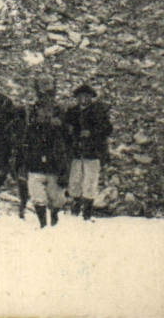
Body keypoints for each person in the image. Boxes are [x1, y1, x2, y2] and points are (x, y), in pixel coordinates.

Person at [64, 83, 112, 220]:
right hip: (76, 152)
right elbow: (65, 130)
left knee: (90, 181)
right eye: (80, 97)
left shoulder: (99, 111)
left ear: (91, 98)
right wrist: (69, 132)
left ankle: (87, 213)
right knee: (74, 181)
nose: (83, 99)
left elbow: (108, 129)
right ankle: (74, 210)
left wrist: (91, 133)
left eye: (86, 96)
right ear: (77, 98)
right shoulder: (71, 112)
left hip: (93, 152)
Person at [23, 92, 71, 227]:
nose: (45, 113)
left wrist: (63, 170)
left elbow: (65, 148)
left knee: (57, 199)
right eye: (42, 110)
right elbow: (24, 147)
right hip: (35, 167)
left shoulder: (58, 129)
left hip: (53, 168)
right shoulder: (31, 129)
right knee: (37, 196)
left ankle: (54, 215)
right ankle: (43, 223)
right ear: (37, 111)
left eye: (49, 110)